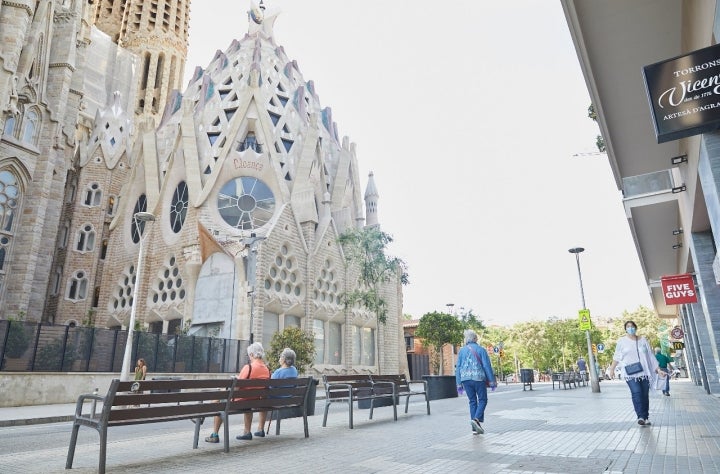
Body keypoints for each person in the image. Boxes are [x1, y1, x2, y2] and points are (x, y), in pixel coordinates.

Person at [205, 342, 270, 443]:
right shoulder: (267, 370)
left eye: (249, 355)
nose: (249, 358)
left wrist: (225, 389)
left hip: (241, 401)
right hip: (255, 401)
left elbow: (236, 387)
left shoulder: (249, 367)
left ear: (252, 354)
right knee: (246, 401)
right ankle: (247, 432)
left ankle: (214, 434)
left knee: (220, 399)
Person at [608, 320, 663, 426]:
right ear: (625, 329)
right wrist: (612, 369)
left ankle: (645, 417)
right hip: (630, 373)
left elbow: (650, 356)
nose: (630, 328)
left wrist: (658, 369)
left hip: (644, 372)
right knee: (636, 392)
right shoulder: (622, 341)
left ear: (636, 328)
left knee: (644, 395)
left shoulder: (643, 340)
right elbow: (617, 356)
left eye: (632, 326)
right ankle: (640, 416)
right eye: (628, 327)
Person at [455, 329, 496, 435]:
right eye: (476, 337)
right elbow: (486, 366)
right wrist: (492, 382)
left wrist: (458, 384)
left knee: (472, 401)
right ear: (474, 338)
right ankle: (476, 419)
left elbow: (458, 367)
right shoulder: (481, 350)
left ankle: (475, 429)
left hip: (465, 380)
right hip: (478, 378)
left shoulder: (462, 351)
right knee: (483, 400)